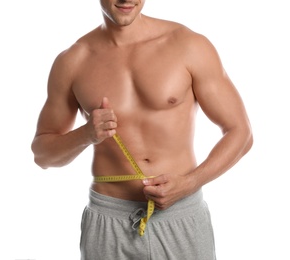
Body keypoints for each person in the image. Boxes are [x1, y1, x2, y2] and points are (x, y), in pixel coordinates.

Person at [31, 0, 253, 259]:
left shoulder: (188, 45)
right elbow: (43, 155)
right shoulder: (73, 61)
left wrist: (190, 182)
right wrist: (85, 134)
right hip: (109, 220)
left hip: (180, 214)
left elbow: (241, 132)